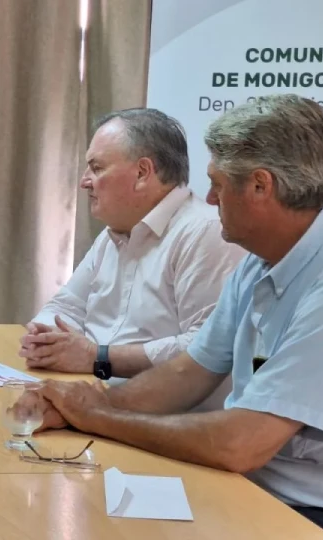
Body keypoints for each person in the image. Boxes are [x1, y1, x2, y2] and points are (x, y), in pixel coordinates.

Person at [19, 95, 323, 533]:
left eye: (219, 184)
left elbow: (242, 443)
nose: (209, 197)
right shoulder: (259, 261)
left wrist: (100, 417)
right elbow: (190, 371)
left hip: (306, 509)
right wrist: (82, 406)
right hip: (249, 483)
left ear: (261, 186)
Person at [19, 108, 244, 407]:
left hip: (163, 423)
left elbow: (204, 348)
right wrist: (45, 338)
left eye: (96, 168)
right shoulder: (114, 232)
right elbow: (65, 306)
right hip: (95, 403)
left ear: (142, 173)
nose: (85, 181)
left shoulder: (205, 232)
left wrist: (96, 357)